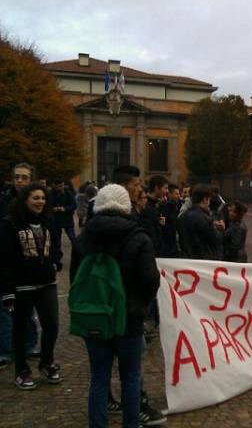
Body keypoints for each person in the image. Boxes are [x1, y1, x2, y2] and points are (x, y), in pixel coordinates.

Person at [71, 184, 160, 428]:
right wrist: (140, 305)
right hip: (129, 319)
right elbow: (151, 280)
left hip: (95, 316)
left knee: (99, 378)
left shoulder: (83, 239)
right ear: (126, 206)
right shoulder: (139, 237)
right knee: (130, 378)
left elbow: (76, 280)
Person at [0, 183, 62, 390]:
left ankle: (46, 361)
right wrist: (8, 291)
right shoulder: (9, 224)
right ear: (25, 200)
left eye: (43, 198)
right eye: (35, 198)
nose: (40, 202)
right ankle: (22, 369)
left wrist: (54, 263)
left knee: (52, 324)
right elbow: (5, 259)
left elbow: (56, 248)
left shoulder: (48, 222)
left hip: (46, 283)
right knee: (21, 329)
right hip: (22, 285)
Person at [0, 163, 39, 370]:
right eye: (17, 177)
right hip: (7, 260)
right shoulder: (5, 200)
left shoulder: (35, 202)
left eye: (24, 177)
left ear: (31, 179)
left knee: (28, 307)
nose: (19, 181)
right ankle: (7, 351)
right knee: (6, 307)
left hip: (28, 263)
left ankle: (30, 345)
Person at [181, 185, 225, 260]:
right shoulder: (204, 218)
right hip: (204, 258)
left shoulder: (184, 215)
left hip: (188, 257)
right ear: (205, 199)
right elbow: (215, 239)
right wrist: (221, 229)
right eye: (209, 199)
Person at [143, 175, 168, 256]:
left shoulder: (157, 204)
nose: (166, 191)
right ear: (156, 188)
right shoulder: (146, 205)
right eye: (165, 188)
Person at [49, 179, 77, 251]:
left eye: (62, 185)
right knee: (57, 241)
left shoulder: (68, 193)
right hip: (56, 220)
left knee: (73, 238)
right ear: (55, 186)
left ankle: (77, 251)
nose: (61, 187)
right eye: (59, 186)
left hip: (67, 219)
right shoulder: (51, 194)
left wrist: (65, 209)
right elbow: (48, 205)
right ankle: (57, 257)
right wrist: (53, 209)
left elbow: (74, 205)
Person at [159, 184, 180, 258]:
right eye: (176, 194)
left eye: (179, 194)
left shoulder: (175, 207)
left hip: (172, 244)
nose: (178, 196)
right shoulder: (164, 207)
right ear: (170, 194)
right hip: (166, 245)